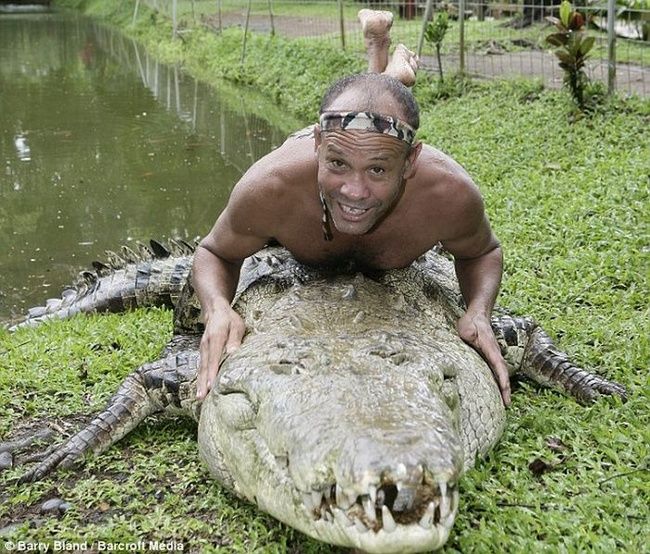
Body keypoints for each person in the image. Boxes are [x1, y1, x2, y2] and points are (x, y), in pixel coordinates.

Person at [193, 10, 510, 406]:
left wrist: (479, 310)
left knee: (373, 118)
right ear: (317, 145)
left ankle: (385, 68)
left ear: (410, 162)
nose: (355, 192)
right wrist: (217, 307)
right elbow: (214, 251)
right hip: (308, 157)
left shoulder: (448, 192)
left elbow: (482, 251)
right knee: (366, 124)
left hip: (371, 145)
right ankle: (386, 69)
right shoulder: (271, 186)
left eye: (378, 169)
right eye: (337, 164)